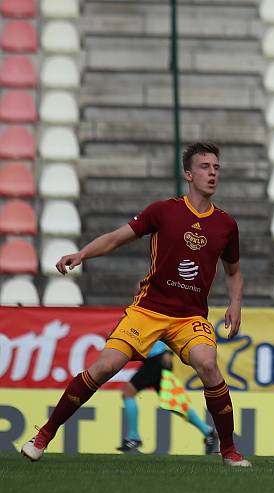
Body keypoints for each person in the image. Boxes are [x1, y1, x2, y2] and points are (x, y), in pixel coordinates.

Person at [21, 142, 251, 467]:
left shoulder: (226, 225)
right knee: (104, 368)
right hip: (149, 310)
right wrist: (82, 254)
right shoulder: (163, 211)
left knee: (209, 364)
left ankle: (229, 450)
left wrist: (235, 303)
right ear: (188, 174)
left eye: (216, 167)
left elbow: (235, 272)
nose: (212, 173)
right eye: (204, 167)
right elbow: (116, 238)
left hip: (189, 317)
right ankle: (43, 435)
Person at [117, 340, 219, 455]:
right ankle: (208, 431)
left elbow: (164, 330)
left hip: (157, 359)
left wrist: (166, 352)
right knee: (172, 402)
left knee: (128, 393)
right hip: (157, 360)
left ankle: (133, 436)